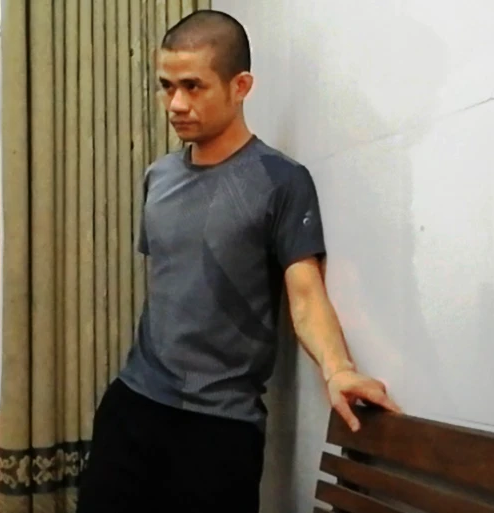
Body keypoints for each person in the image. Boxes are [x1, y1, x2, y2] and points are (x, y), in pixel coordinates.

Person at [75, 9, 402, 513]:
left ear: (240, 86)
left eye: (193, 86)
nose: (176, 104)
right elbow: (170, 285)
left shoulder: (281, 180)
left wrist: (338, 369)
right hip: (132, 406)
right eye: (167, 87)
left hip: (219, 427)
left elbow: (305, 295)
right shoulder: (158, 178)